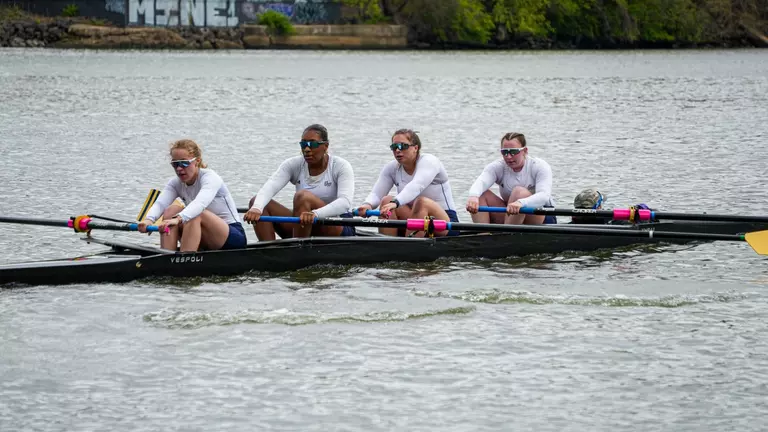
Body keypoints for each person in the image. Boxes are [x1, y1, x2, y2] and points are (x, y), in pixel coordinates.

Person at [243, 124, 355, 240]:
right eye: (303, 144)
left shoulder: (341, 166)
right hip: (303, 223)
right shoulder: (293, 164)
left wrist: (315, 214)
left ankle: (298, 250)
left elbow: (344, 202)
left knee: (302, 197)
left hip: (338, 224)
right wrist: (257, 208)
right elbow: (270, 186)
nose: (307, 149)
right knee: (256, 201)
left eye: (313, 144)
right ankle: (268, 253)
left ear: (325, 146)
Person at [138, 139, 246, 252]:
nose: (179, 169)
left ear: (197, 161)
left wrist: (179, 218)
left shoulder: (210, 177)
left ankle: (185, 259)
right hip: (203, 234)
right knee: (171, 210)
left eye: (184, 163)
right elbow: (160, 204)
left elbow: (200, 203)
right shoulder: (175, 183)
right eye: (175, 164)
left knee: (195, 214)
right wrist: (149, 220)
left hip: (233, 238)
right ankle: (167, 255)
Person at [355, 129, 459, 237]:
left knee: (421, 203)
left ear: (415, 148)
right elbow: (376, 194)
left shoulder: (429, 162)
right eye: (394, 147)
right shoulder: (392, 168)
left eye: (403, 146)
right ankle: (387, 245)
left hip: (445, 223)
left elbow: (417, 185)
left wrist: (396, 202)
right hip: (415, 218)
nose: (397, 151)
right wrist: (367, 205)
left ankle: (411, 246)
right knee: (386, 200)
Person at [465, 132, 556, 225]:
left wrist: (521, 203)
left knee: (519, 192)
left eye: (514, 152)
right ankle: (483, 235)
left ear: (525, 151)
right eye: (505, 152)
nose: (508, 157)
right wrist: (473, 196)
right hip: (511, 215)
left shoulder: (539, 166)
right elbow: (481, 181)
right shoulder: (498, 166)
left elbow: (544, 196)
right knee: (480, 193)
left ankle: (507, 236)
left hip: (541, 215)